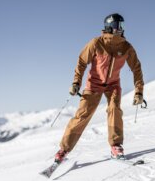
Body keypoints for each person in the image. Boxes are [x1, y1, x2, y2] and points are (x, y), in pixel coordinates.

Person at [54, 13, 145, 163]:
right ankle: (63, 149)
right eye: (117, 26)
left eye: (122, 26)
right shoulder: (96, 43)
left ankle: (115, 146)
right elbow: (82, 61)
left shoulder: (126, 47)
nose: (121, 29)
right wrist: (76, 82)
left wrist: (139, 91)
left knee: (114, 109)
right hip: (94, 84)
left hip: (113, 85)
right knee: (83, 114)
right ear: (109, 27)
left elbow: (137, 68)